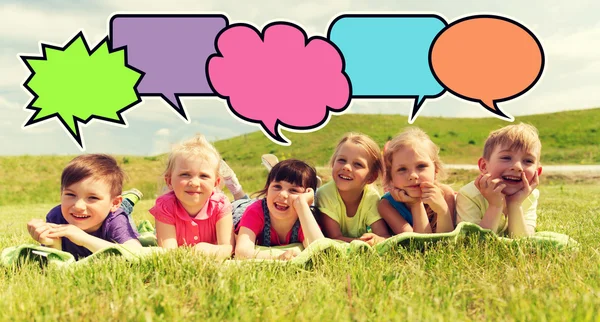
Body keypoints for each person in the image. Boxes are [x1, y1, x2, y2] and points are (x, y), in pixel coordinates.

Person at [26, 154, 142, 260]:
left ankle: (127, 201)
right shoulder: (56, 216)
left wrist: (83, 238)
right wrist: (52, 243)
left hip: (116, 210)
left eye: (93, 198)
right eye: (70, 194)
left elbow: (137, 254)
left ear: (114, 203)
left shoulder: (115, 219)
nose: (78, 206)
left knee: (124, 209)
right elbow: (57, 262)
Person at [149, 134, 234, 259]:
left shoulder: (220, 204)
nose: (194, 183)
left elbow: (228, 248)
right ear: (169, 181)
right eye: (185, 174)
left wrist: (209, 250)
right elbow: (168, 252)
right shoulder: (165, 206)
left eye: (204, 176)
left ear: (216, 183)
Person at [456, 123, 543, 238]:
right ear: (483, 166)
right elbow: (475, 242)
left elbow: (523, 240)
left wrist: (515, 204)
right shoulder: (469, 195)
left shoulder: (530, 195)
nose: (517, 167)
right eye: (506, 158)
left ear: (538, 172)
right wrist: (495, 205)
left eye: (528, 161)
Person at [234, 159, 324, 260]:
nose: (282, 194)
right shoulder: (255, 211)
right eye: (277, 186)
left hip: (280, 204)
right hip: (239, 211)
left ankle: (312, 194)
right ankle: (234, 185)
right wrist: (278, 256)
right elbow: (241, 252)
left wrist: (302, 204)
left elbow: (319, 250)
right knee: (242, 202)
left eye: (293, 190)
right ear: (267, 190)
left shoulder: (304, 217)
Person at [316, 132, 390, 246]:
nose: (346, 167)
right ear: (333, 163)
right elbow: (334, 238)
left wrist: (376, 239)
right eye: (341, 160)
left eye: (357, 164)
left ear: (371, 177)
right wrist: (362, 243)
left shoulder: (371, 197)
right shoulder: (325, 194)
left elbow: (383, 235)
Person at [378, 127, 456, 235]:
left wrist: (443, 211)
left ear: (436, 169)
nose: (413, 176)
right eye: (402, 169)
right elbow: (419, 243)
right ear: (391, 178)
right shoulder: (387, 205)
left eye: (421, 166)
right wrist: (416, 204)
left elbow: (445, 244)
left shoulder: (446, 194)